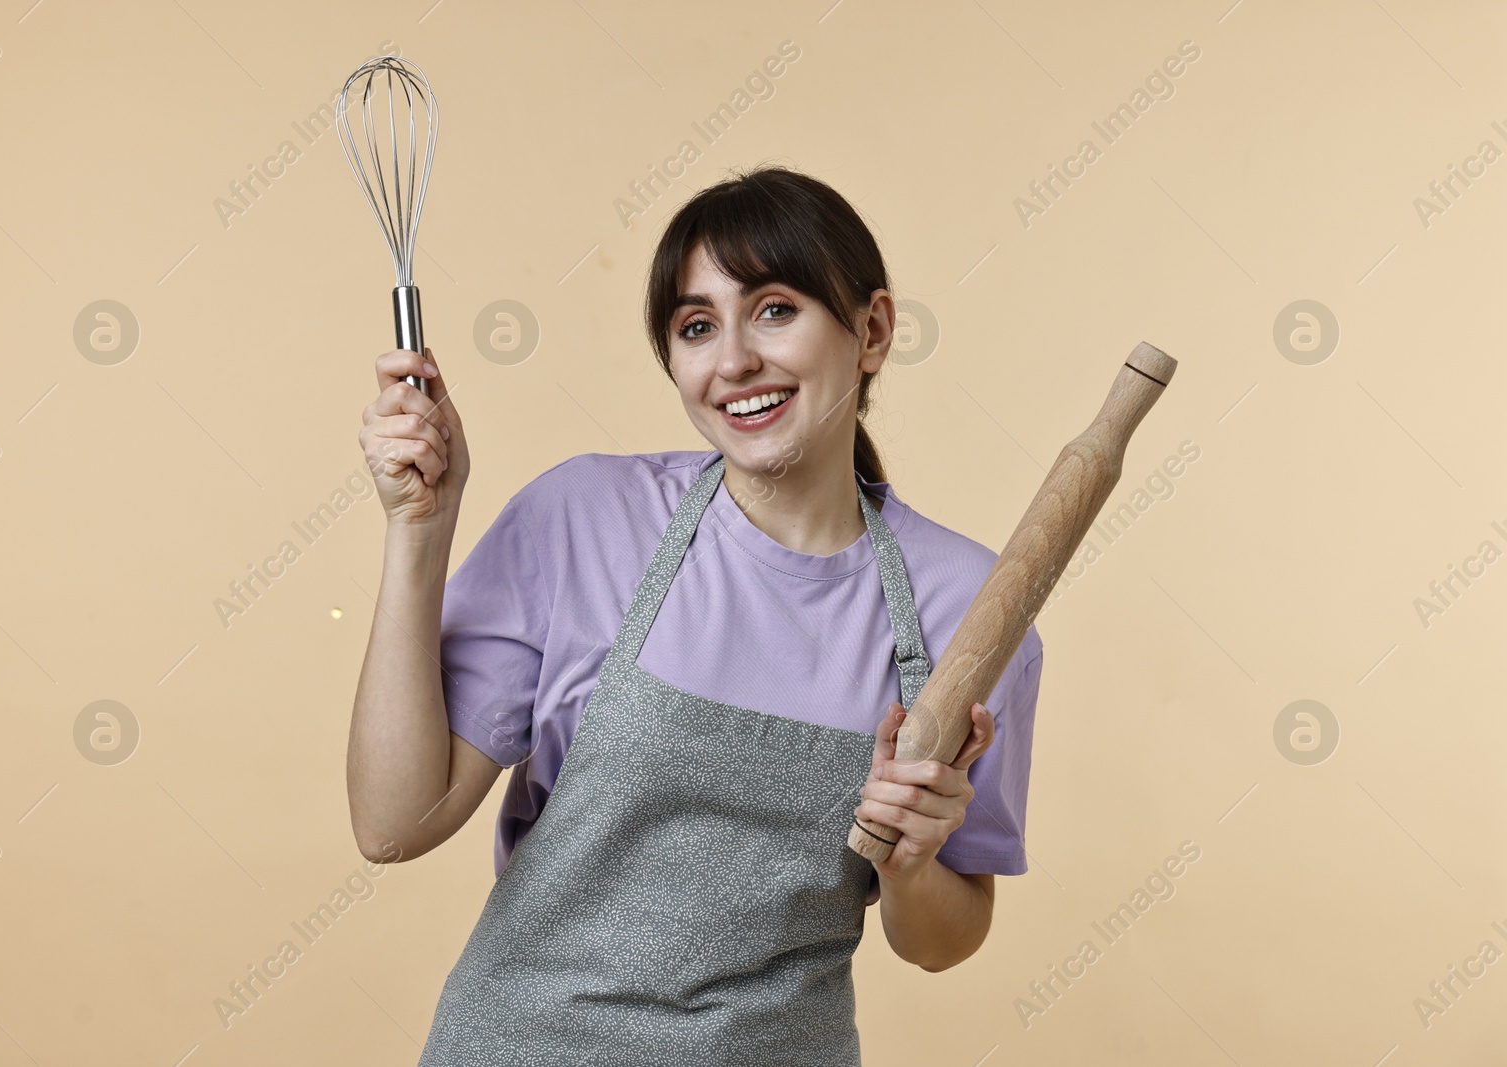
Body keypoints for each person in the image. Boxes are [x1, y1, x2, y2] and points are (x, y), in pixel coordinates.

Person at [346, 164, 1044, 1066]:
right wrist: (418, 530)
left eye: (776, 309)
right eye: (697, 326)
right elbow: (392, 824)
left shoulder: (974, 609)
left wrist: (912, 858)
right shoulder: (584, 519)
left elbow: (943, 940)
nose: (734, 361)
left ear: (871, 330)